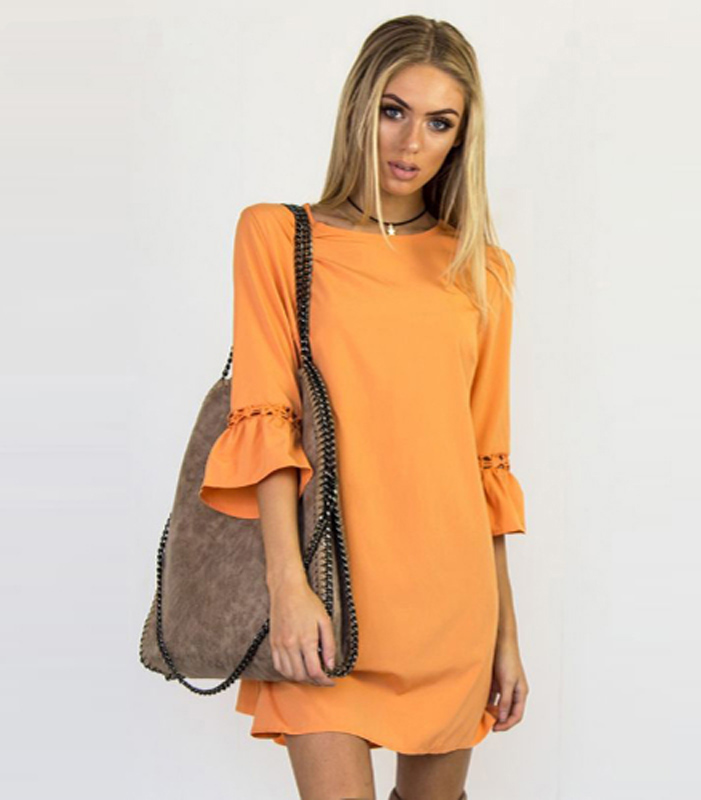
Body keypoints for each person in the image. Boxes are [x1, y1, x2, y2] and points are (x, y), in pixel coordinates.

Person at [199, 14, 529, 800]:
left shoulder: (483, 271)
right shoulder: (277, 238)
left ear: (462, 137)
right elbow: (267, 419)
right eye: (394, 110)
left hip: (451, 610)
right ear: (359, 108)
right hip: (327, 595)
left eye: (440, 122)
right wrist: (286, 586)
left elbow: (483, 464)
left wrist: (506, 633)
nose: (411, 142)